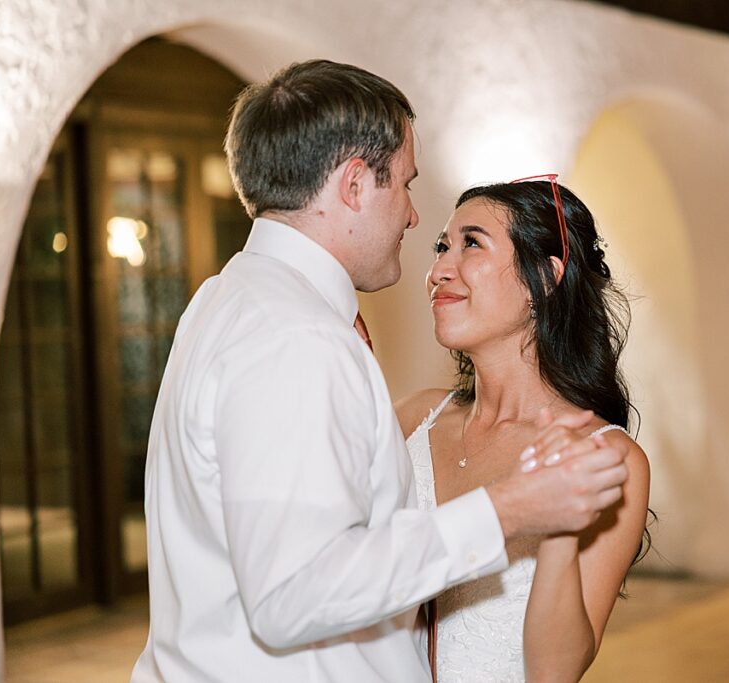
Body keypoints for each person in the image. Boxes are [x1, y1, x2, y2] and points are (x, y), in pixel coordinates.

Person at [131, 61, 629, 683]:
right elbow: (293, 594)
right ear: (355, 185)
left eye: (469, 244)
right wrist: (512, 509)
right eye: (405, 185)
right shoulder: (300, 340)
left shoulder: (227, 300)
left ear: (545, 280)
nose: (415, 222)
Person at [396, 178, 652, 682]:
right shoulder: (411, 419)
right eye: (442, 247)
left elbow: (555, 673)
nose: (438, 271)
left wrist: (557, 526)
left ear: (544, 275)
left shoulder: (607, 458)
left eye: (471, 243)